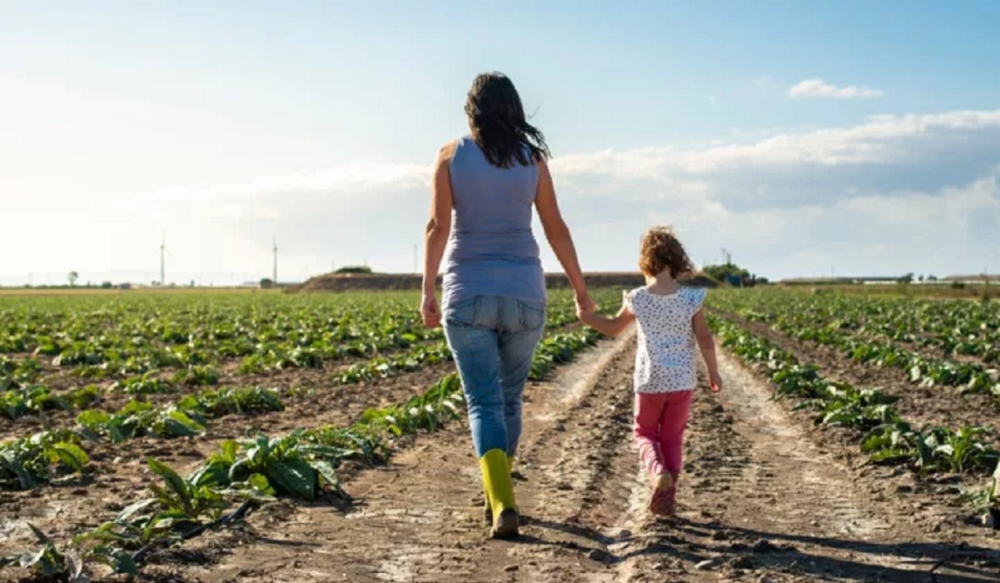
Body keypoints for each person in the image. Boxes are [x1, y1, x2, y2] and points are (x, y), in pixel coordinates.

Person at [421, 72, 595, 539]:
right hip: (524, 294)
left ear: (471, 110)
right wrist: (580, 289)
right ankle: (500, 494)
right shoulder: (532, 160)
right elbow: (556, 228)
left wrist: (427, 291)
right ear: (515, 110)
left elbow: (438, 226)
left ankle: (500, 499)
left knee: (482, 402)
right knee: (509, 398)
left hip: (468, 293)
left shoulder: (449, 156)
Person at [577, 226, 722, 517]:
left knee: (644, 434)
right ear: (677, 260)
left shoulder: (638, 298)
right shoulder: (692, 299)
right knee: (672, 438)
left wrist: (586, 317)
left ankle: (657, 472)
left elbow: (614, 328)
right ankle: (666, 497)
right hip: (682, 380)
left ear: (646, 261)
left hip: (650, 380)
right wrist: (713, 372)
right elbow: (704, 338)